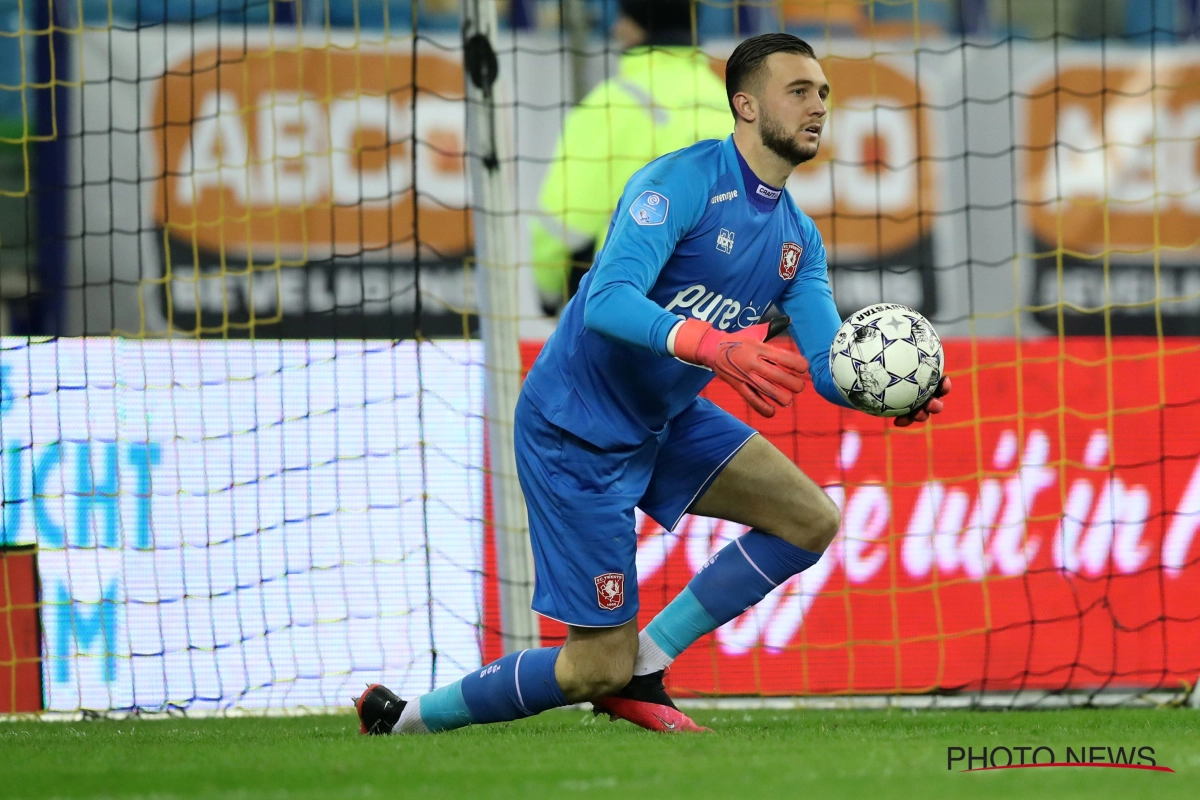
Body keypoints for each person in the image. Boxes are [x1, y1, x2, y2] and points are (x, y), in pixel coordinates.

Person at [356, 32, 951, 736]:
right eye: (798, 91)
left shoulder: (799, 239)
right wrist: (713, 345)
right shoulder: (682, 183)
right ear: (746, 105)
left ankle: (649, 662)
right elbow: (607, 299)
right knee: (591, 669)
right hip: (575, 428)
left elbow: (826, 368)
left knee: (810, 520)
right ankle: (404, 720)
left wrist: (886, 394)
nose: (818, 105)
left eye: (822, 92)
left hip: (665, 421)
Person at [531, 0, 731, 316]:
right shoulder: (728, 104)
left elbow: (562, 226)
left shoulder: (611, 104)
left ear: (641, 24)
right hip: (719, 320)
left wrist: (550, 294)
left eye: (622, 17)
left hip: (628, 314)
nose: (615, 27)